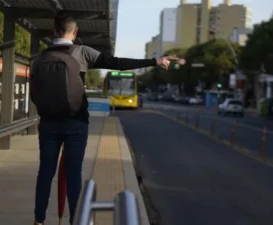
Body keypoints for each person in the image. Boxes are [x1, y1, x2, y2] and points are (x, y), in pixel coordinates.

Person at [31, 10, 178, 225]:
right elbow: (117, 63)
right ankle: (77, 220)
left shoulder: (41, 57)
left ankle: (39, 220)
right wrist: (154, 62)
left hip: (48, 124)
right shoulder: (82, 52)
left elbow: (35, 92)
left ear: (54, 31)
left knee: (45, 172)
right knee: (73, 175)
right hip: (76, 122)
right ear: (76, 31)